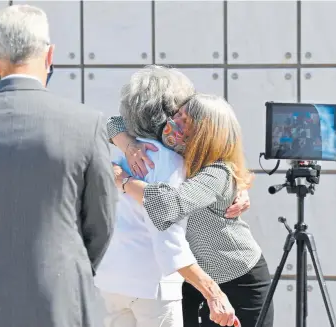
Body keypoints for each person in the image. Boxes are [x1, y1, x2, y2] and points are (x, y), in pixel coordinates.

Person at [0, 5, 116, 327]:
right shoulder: (87, 124)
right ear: (49, 55)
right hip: (61, 296)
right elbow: (101, 221)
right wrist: (70, 267)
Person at [95, 66, 239, 327]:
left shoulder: (118, 149)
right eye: (180, 113)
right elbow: (167, 237)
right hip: (150, 285)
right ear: (169, 110)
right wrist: (213, 292)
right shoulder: (169, 161)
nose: (180, 122)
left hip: (110, 280)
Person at [114, 93, 274, 327]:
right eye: (177, 114)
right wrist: (129, 146)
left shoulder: (217, 172)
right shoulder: (176, 145)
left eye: (185, 120)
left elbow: (167, 206)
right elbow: (114, 123)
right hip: (193, 280)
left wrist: (123, 179)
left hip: (238, 279)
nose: (174, 123)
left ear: (205, 131)